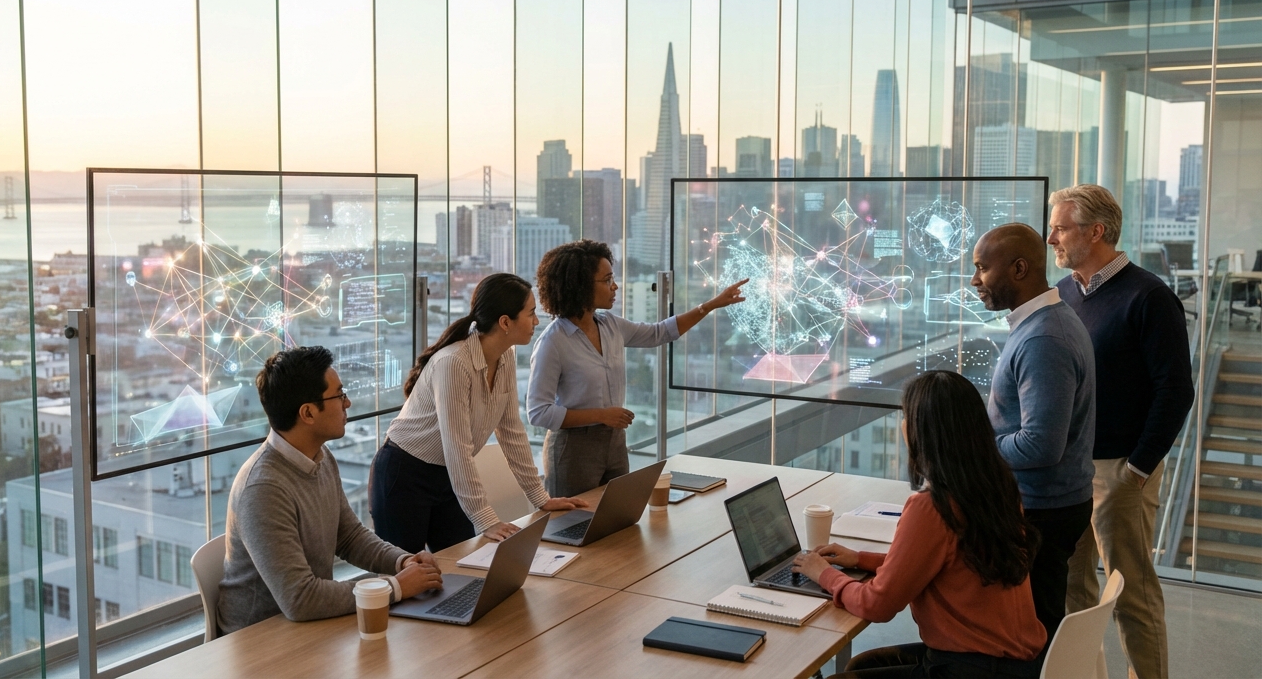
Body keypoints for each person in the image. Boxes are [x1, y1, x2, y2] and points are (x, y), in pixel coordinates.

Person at [793, 371, 1045, 679]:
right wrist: (860, 559)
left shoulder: (933, 506)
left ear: (920, 432)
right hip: (1017, 665)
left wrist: (825, 575)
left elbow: (877, 605)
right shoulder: (996, 488)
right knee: (863, 665)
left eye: (906, 418)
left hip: (973, 667)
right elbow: (948, 565)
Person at [1050, 184, 1193, 679]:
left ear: (1097, 231)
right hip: (1069, 468)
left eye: (1061, 227)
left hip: (1120, 471)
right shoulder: (1065, 293)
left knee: (1131, 594)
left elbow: (1176, 391)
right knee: (1073, 591)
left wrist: (1137, 468)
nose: (1052, 239)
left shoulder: (1150, 297)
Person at [218, 346, 443, 636]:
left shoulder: (321, 457)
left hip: (307, 627)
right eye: (339, 395)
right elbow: (300, 599)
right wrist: (397, 586)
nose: (347, 402)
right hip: (259, 641)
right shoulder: (263, 488)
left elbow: (348, 537)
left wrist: (402, 561)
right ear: (308, 413)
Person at [370, 273, 588, 552]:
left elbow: (511, 432)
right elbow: (457, 447)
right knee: (405, 576)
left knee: (458, 569)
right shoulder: (453, 364)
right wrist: (487, 520)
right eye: (531, 313)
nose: (536, 321)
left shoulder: (505, 357)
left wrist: (540, 497)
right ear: (505, 322)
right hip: (404, 474)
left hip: (448, 474)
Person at [527, 239, 747, 498]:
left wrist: (709, 305)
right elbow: (539, 413)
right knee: (575, 528)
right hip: (573, 449)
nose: (615, 286)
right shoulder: (553, 342)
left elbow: (660, 332)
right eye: (607, 280)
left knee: (618, 521)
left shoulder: (610, 325)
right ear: (581, 286)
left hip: (615, 442)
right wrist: (602, 415)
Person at [971, 222, 1096, 646]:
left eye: (982, 269)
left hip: (1041, 511)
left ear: (1019, 268)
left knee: (1031, 641)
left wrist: (974, 449)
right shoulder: (1047, 322)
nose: (975, 281)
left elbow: (1041, 443)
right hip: (1048, 505)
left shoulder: (1044, 337)